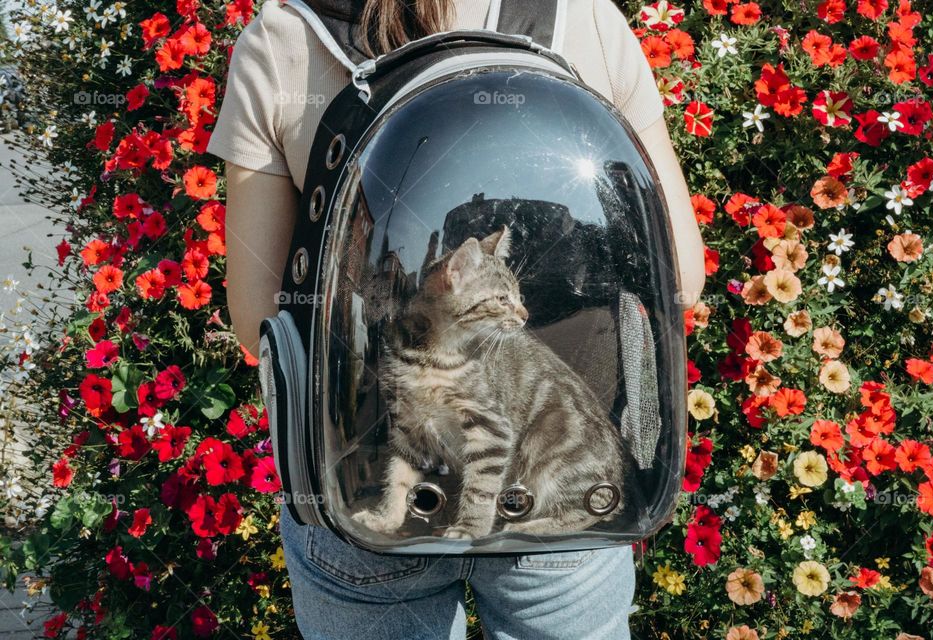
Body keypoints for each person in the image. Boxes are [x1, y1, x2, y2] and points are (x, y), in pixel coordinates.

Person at [206, 1, 705, 638]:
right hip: (562, 492)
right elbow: (681, 276)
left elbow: (257, 319)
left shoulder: (284, 36)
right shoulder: (582, 16)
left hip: (363, 476)